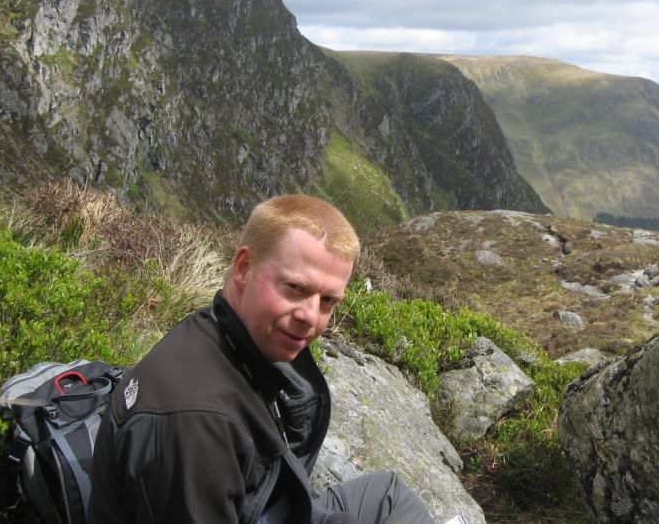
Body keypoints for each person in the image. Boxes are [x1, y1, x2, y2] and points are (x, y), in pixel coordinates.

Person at [89, 194, 435, 524]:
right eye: (295, 288)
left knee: (389, 494)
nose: (311, 317)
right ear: (243, 267)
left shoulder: (225, 339)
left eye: (328, 300)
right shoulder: (197, 425)